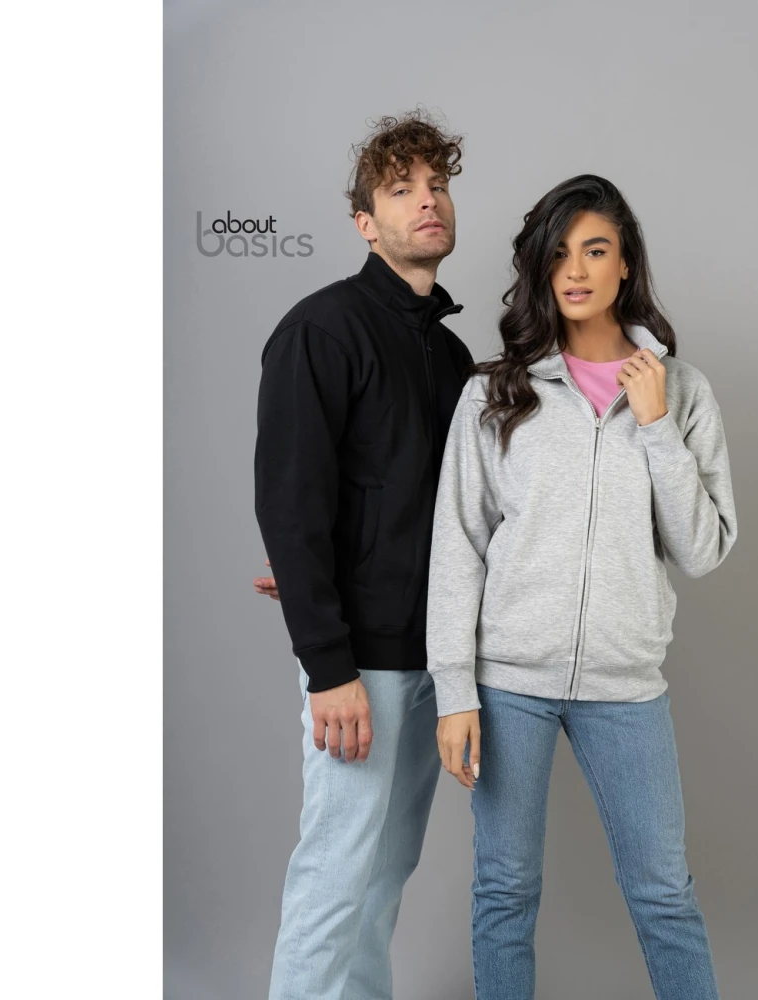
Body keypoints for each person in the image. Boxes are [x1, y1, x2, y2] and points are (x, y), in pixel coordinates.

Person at [426, 174, 737, 1000]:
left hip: (625, 685)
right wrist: (454, 690)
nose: (575, 270)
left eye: (595, 250)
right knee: (504, 890)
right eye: (558, 252)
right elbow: (457, 548)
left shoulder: (681, 390)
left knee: (664, 894)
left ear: (625, 263)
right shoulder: (496, 392)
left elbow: (703, 549)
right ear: (540, 265)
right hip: (508, 684)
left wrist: (657, 426)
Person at [253, 112, 473, 1000]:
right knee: (335, 877)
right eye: (401, 188)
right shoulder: (322, 329)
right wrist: (327, 663)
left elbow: (451, 513)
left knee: (382, 881)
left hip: (435, 659)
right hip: (360, 668)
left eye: (437, 185)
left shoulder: (452, 356)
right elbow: (290, 500)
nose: (427, 200)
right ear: (365, 223)